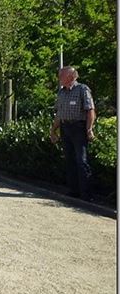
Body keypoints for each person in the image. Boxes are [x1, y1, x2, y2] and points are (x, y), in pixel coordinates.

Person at [50, 66, 96, 201]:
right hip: (65, 128)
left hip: (78, 128)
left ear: (70, 76)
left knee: (81, 161)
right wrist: (53, 130)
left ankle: (87, 194)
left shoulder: (82, 89)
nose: (59, 78)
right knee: (69, 160)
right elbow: (59, 114)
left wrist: (89, 129)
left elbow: (90, 111)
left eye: (61, 76)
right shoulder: (61, 93)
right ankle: (74, 191)